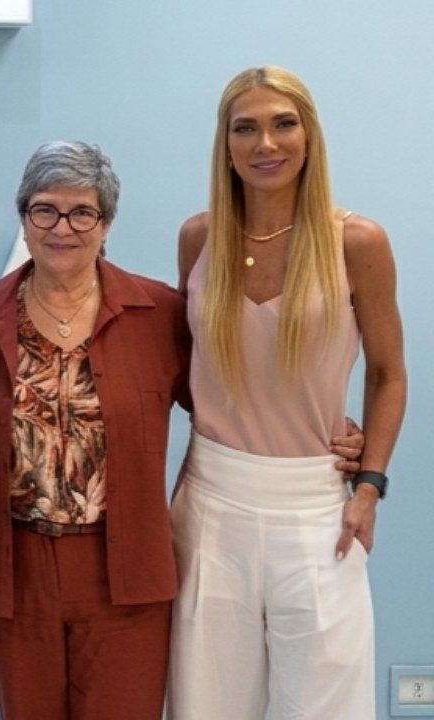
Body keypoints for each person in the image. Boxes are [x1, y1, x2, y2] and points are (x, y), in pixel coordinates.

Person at [169, 66, 406, 720]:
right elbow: (190, 370)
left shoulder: (357, 241)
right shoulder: (199, 238)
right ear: (225, 146)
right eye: (245, 128)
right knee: (203, 707)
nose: (265, 143)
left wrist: (370, 484)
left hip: (317, 510)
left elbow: (388, 373)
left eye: (283, 124)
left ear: (309, 136)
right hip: (210, 505)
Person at [0, 141, 189, 719]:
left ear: (106, 223)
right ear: (24, 217)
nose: (62, 228)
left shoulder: (160, 314)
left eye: (82, 212)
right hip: (16, 571)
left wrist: (320, 434)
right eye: (45, 210)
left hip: (127, 571)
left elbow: (225, 410)